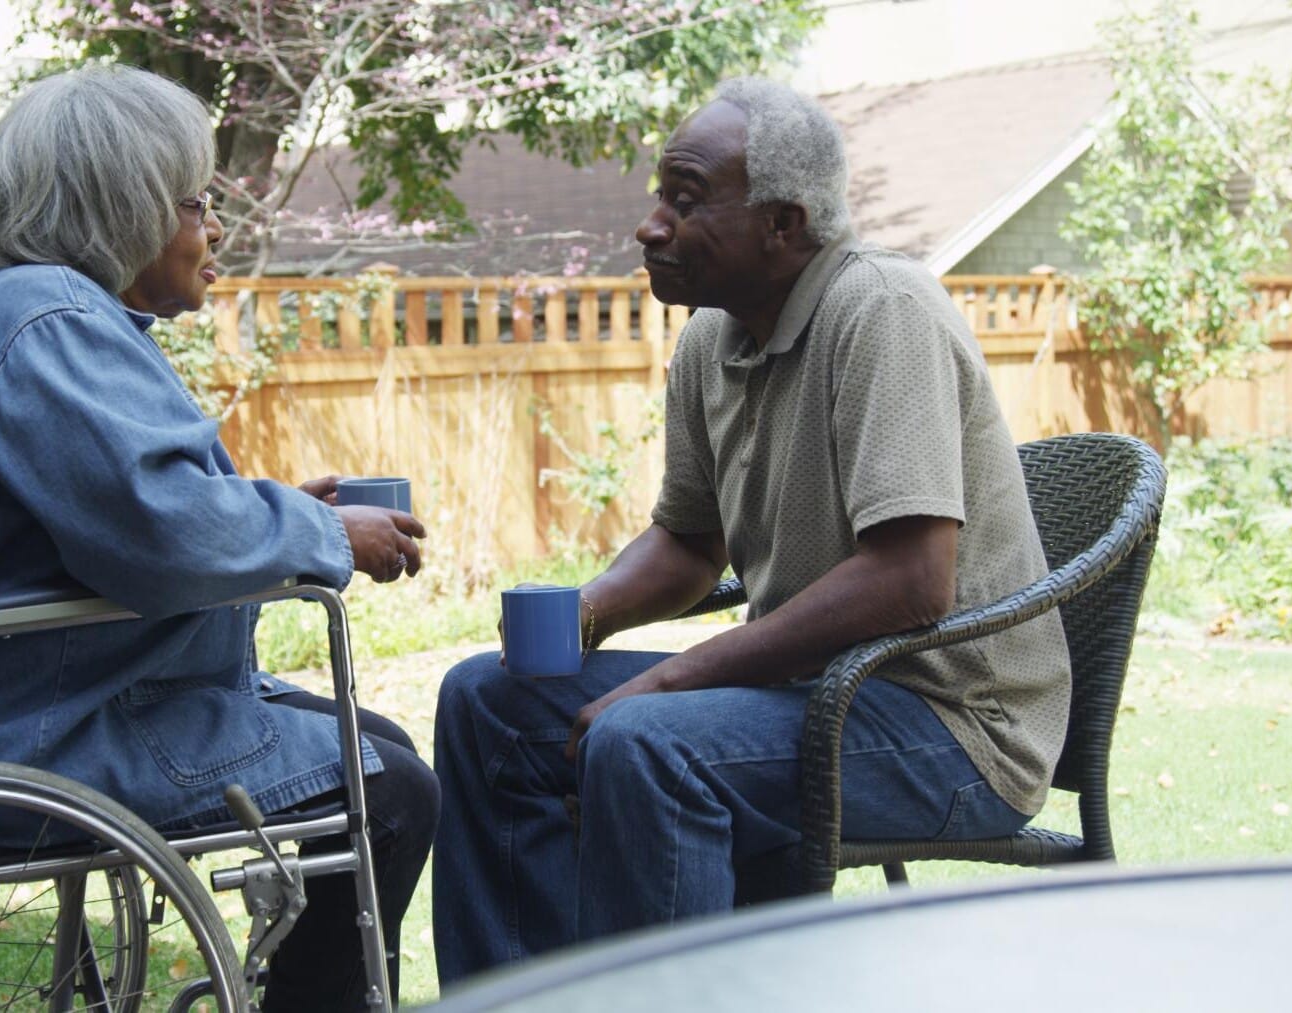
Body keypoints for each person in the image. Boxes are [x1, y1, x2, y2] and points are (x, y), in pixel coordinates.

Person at [431, 77, 1071, 984]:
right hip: (814, 695)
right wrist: (586, 613)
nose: (651, 224)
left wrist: (674, 676)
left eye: (686, 202)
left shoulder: (883, 310)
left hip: (954, 724)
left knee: (646, 740)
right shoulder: (711, 339)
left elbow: (910, 578)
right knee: (487, 704)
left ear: (784, 224)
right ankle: (523, 996)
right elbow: (690, 542)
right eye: (660, 196)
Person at [0, 65, 437, 1012]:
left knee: (377, 744)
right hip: (41, 732)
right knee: (395, 793)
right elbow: (164, 536)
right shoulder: (47, 318)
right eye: (194, 202)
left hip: (18, 695)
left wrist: (266, 518)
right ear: (120, 206)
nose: (213, 228)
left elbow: (120, 512)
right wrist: (318, 531)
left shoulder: (20, 311)